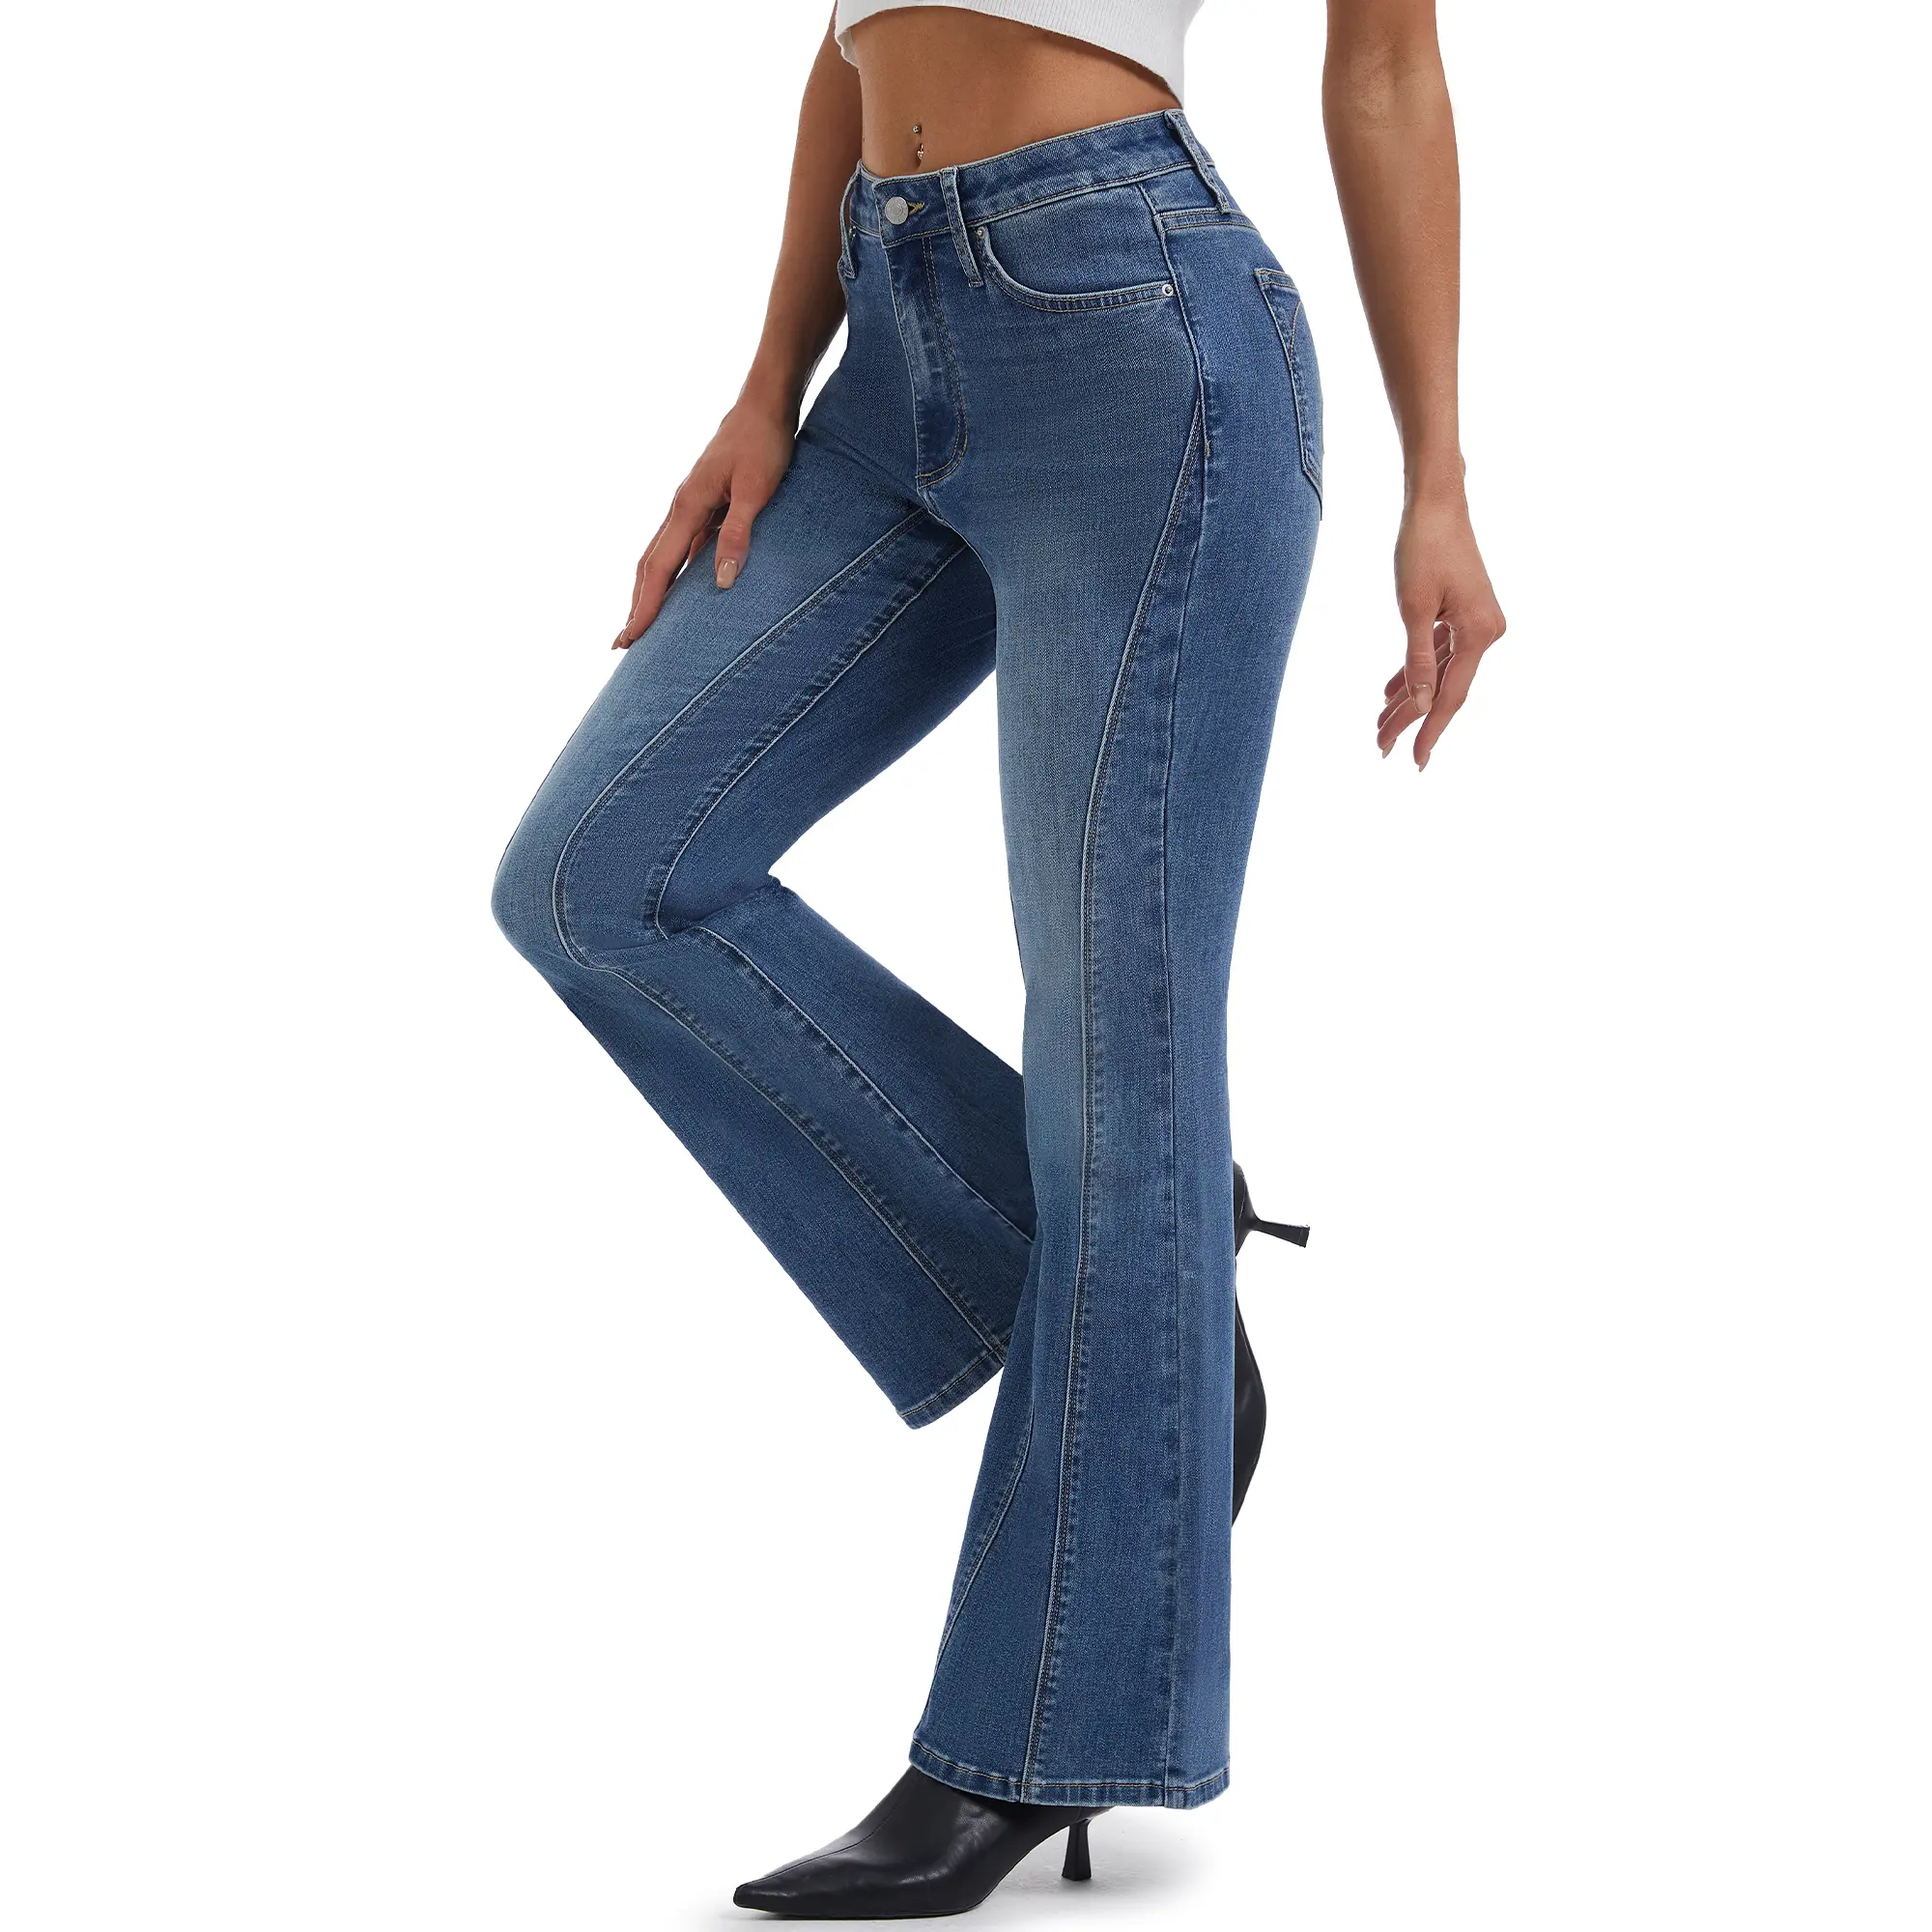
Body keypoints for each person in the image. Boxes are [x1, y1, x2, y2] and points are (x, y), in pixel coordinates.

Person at [492, 0, 1505, 1915]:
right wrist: (766, 378)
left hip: (1140, 338)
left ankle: (1037, 1738)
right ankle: (1149, 1293)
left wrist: (1436, 477)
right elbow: (848, 38)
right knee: (600, 880)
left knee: (1118, 1063)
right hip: (888, 347)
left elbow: (1383, 61)